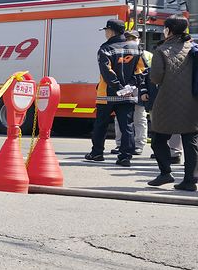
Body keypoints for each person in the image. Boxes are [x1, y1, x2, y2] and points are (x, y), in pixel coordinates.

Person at [144, 17, 197, 190]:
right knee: (191, 141)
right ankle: (190, 180)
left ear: (169, 30)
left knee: (158, 139)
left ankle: (165, 172)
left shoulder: (162, 50)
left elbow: (156, 77)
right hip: (194, 101)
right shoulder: (194, 48)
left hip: (167, 101)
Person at [84, 18, 145, 167]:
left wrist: (118, 88)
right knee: (127, 126)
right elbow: (141, 70)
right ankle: (125, 157)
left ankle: (97, 153)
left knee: (101, 125)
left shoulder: (106, 48)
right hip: (128, 95)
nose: (105, 33)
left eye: (106, 30)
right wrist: (129, 86)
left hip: (107, 95)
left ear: (110, 31)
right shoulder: (135, 48)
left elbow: (107, 72)